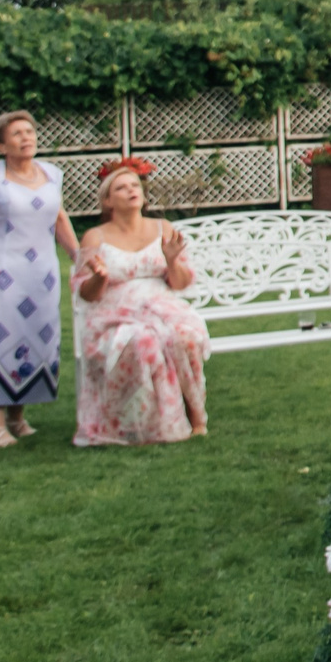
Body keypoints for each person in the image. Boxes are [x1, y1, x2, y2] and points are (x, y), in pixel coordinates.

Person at [0, 111, 79, 448]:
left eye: (30, 131)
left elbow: (59, 218)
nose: (26, 137)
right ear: (0, 145)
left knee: (34, 337)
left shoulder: (52, 174)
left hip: (42, 275)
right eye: (17, 133)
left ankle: (17, 418)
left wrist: (79, 257)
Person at [71, 160, 211, 447]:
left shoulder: (163, 227)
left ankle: (196, 416)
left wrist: (172, 260)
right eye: (121, 188)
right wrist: (99, 277)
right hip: (114, 311)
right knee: (143, 342)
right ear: (108, 201)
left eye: (135, 185)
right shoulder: (95, 236)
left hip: (162, 304)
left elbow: (182, 283)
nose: (131, 190)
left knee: (186, 336)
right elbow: (86, 294)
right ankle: (144, 424)